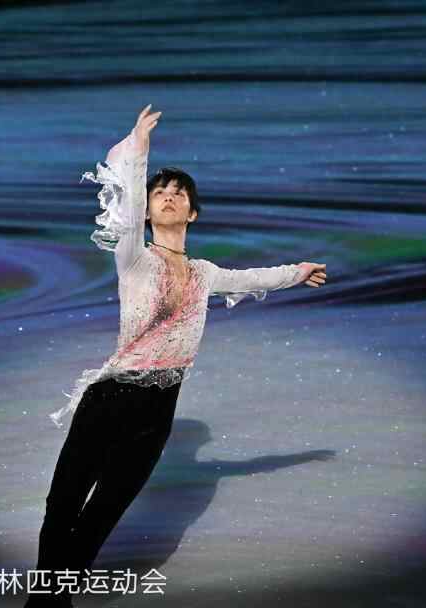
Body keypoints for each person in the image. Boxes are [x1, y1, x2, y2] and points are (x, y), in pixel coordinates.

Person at [24, 104, 327, 607]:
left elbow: (252, 278)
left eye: (179, 193)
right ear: (146, 211)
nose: (169, 197)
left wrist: (297, 271)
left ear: (193, 213)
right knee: (65, 504)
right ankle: (44, 602)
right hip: (110, 398)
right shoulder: (134, 257)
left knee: (104, 512)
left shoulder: (205, 273)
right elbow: (125, 200)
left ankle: (56, 599)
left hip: (157, 412)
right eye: (160, 192)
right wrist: (140, 146)